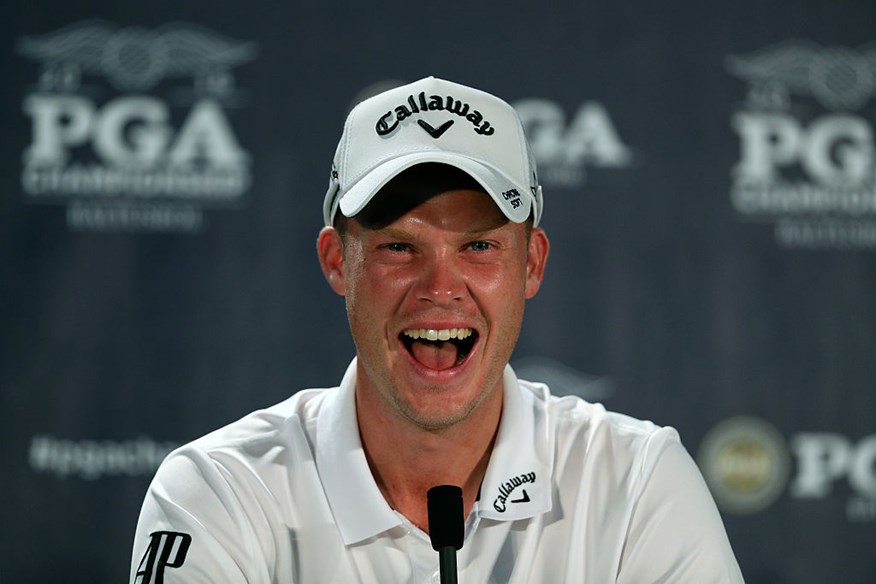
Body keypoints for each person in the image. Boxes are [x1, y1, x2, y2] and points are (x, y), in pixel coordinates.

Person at [130, 76, 744, 583]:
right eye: (400, 247)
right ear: (338, 261)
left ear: (530, 265)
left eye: (478, 245)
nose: (440, 288)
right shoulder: (217, 492)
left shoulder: (636, 482)